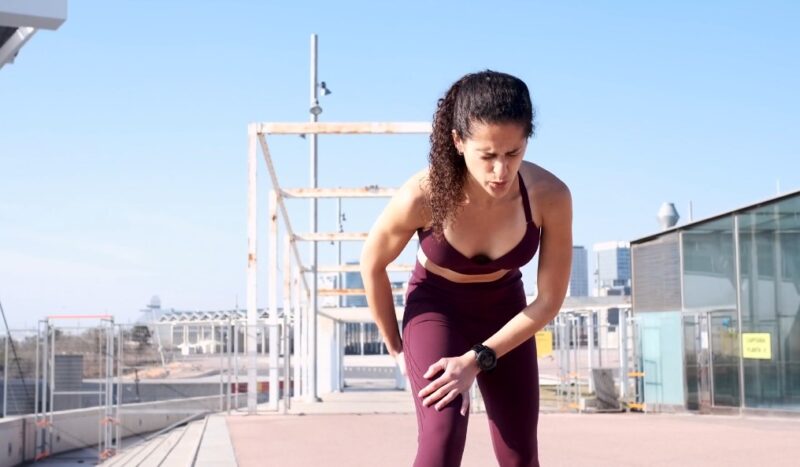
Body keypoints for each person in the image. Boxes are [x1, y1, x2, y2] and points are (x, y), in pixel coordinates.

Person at [360, 70, 572, 467]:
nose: (501, 171)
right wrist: (396, 349)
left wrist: (475, 360)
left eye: (514, 153)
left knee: (520, 455)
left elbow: (548, 301)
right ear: (458, 142)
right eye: (488, 156)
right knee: (442, 439)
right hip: (436, 310)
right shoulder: (422, 195)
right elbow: (371, 263)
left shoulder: (551, 196)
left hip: (508, 313)